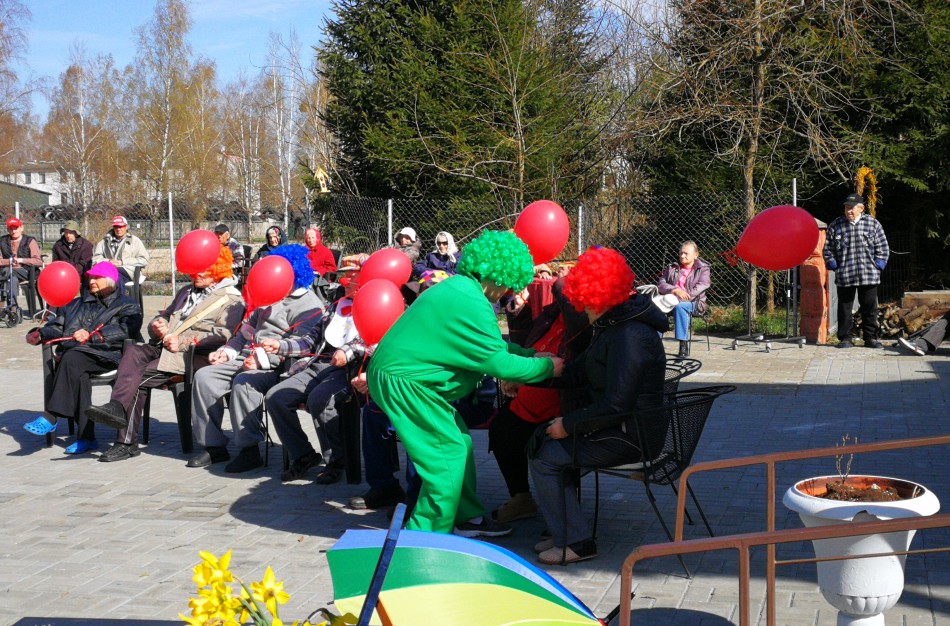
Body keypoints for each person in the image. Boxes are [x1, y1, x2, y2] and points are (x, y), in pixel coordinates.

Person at [368, 230, 564, 537]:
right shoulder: (470, 302)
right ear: (495, 274)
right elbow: (497, 363)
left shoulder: (462, 290)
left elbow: (489, 347)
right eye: (507, 283)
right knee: (446, 460)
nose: (508, 291)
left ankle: (467, 518)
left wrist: (531, 353)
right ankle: (422, 540)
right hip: (407, 383)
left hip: (408, 379)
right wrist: (547, 367)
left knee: (459, 441)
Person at [528, 246, 667, 565]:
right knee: (544, 443)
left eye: (582, 302)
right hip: (621, 426)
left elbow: (616, 402)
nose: (579, 308)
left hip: (633, 436)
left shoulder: (629, 334)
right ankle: (564, 527)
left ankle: (575, 542)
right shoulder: (616, 323)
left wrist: (569, 424)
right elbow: (582, 370)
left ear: (598, 295)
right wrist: (543, 371)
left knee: (546, 454)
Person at [84, 247, 245, 462]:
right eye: (193, 269)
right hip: (166, 349)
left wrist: (183, 342)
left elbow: (224, 335)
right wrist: (157, 326)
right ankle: (116, 408)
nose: (194, 275)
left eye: (201, 270)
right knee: (132, 351)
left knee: (137, 378)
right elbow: (165, 317)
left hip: (193, 357)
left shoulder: (231, 300)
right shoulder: (186, 292)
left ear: (217, 269)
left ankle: (125, 442)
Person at [188, 244, 322, 473]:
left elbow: (300, 348)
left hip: (276, 366)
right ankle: (213, 445)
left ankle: (249, 449)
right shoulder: (270, 295)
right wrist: (227, 352)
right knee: (204, 376)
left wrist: (262, 359)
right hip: (245, 355)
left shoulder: (310, 306)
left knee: (244, 383)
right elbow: (244, 333)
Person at [489, 278, 591, 523]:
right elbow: (526, 344)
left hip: (564, 404)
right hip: (528, 400)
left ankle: (566, 515)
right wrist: (517, 375)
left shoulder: (585, 321)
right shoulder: (550, 314)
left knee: (553, 446)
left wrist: (562, 283)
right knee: (502, 430)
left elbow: (577, 356)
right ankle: (521, 498)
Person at [261, 259, 365, 484]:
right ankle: (304, 454)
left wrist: (347, 352)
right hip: (318, 366)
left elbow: (373, 340)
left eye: (352, 275)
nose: (346, 280)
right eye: (343, 275)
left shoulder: (375, 303)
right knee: (276, 397)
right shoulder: (335, 305)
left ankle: (337, 459)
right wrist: (281, 346)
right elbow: (309, 341)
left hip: (349, 370)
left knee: (320, 399)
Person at [23, 261, 143, 453]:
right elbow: (58, 326)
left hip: (108, 355)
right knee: (79, 374)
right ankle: (87, 438)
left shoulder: (127, 305)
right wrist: (41, 333)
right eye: (90, 277)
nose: (92, 280)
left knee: (71, 358)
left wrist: (92, 335)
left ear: (110, 280)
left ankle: (51, 416)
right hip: (79, 359)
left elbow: (126, 329)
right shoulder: (75, 304)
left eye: (97, 277)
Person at [823, 193, 890, 349]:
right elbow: (828, 249)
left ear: (861, 208)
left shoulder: (873, 224)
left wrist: (878, 265)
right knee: (844, 309)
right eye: (846, 208)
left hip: (869, 275)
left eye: (852, 208)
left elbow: (883, 247)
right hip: (845, 275)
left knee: (869, 309)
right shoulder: (836, 225)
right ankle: (845, 338)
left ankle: (870, 338)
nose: (849, 211)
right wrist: (833, 264)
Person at [656, 240, 711, 357]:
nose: (682, 256)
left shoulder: (703, 269)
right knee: (657, 308)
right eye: (681, 253)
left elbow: (703, 284)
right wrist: (674, 290)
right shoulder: (672, 267)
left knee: (680, 307)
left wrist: (685, 294)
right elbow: (661, 283)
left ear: (696, 255)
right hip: (671, 300)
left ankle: (683, 345)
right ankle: (655, 344)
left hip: (694, 302)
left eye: (686, 253)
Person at [1, 217, 43, 310]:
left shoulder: (30, 241)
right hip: (9, 272)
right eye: (11, 228)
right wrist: (10, 261)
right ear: (7, 229)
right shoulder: (3, 241)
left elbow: (38, 261)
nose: (13, 230)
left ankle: (3, 304)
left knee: (7, 272)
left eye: (15, 228)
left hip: (26, 271)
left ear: (21, 228)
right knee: (11, 278)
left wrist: (21, 260)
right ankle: (13, 310)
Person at [92, 215, 150, 283]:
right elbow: (95, 259)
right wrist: (109, 261)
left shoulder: (135, 241)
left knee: (116, 278)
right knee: (91, 279)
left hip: (128, 271)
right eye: (116, 227)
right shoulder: (104, 242)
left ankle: (119, 294)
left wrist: (123, 262)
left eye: (121, 226)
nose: (118, 229)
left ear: (126, 227)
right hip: (108, 270)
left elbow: (144, 260)